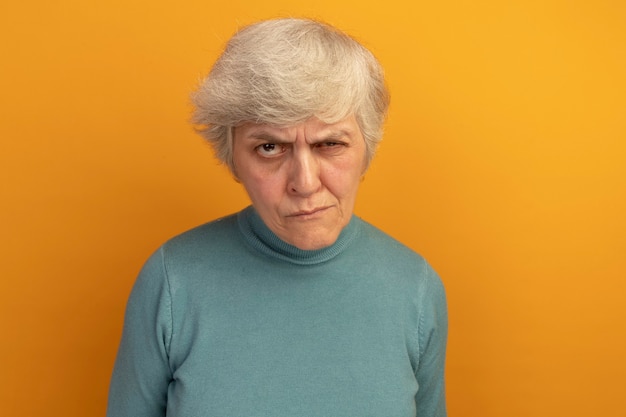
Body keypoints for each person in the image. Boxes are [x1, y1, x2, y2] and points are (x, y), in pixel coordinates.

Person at [107, 18, 447, 417]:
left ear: (366, 151)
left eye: (330, 144)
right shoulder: (171, 280)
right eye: (270, 147)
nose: (304, 182)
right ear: (232, 158)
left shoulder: (416, 288)